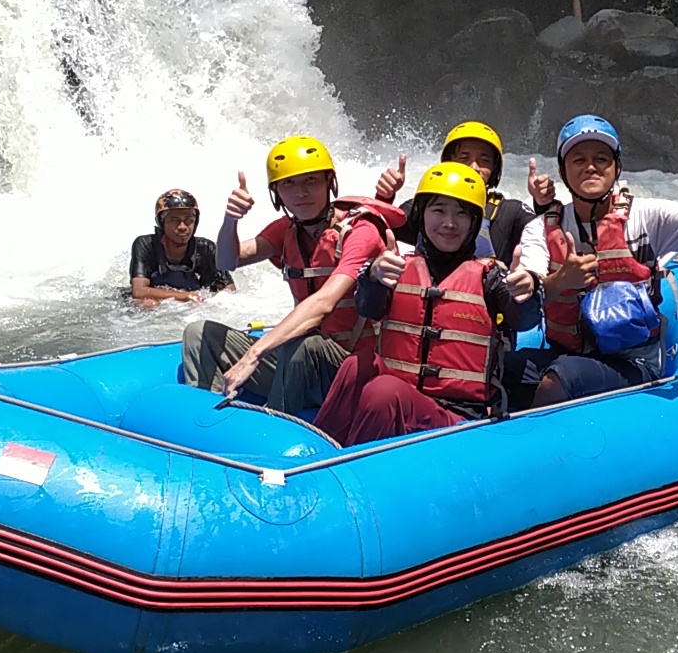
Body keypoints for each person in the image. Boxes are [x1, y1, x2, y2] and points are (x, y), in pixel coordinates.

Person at [513, 115, 678, 406]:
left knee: (561, 378)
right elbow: (531, 284)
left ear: (617, 167)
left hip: (633, 361)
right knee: (508, 368)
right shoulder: (541, 228)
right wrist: (560, 282)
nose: (590, 167)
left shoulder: (647, 216)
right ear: (563, 171)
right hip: (566, 352)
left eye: (601, 158)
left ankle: (541, 447)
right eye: (578, 160)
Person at [315, 163, 535, 445]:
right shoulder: (396, 267)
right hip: (401, 398)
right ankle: (320, 452)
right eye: (439, 210)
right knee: (358, 364)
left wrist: (526, 292)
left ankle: (350, 471)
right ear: (421, 214)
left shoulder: (492, 277)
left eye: (462, 214)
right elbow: (368, 308)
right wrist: (372, 276)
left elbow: (523, 319)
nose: (450, 223)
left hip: (457, 419)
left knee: (384, 391)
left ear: (474, 222)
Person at [182, 136, 403, 411]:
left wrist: (254, 353)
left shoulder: (360, 231)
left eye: (311, 180)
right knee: (198, 332)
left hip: (350, 368)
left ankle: (273, 428)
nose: (301, 193)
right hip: (299, 360)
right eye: (289, 183)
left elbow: (323, 303)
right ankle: (205, 417)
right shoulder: (286, 230)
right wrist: (231, 220)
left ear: (329, 183)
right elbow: (227, 261)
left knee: (306, 345)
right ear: (276, 193)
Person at [372, 121, 555, 263]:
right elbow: (376, 231)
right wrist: (385, 197)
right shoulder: (424, 205)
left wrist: (544, 204)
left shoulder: (511, 212)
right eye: (464, 158)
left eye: (484, 160)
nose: (473, 167)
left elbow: (553, 239)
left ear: (494, 169)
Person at [129, 189, 234, 305]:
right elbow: (138, 291)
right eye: (175, 220)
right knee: (148, 304)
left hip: (192, 309)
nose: (183, 227)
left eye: (188, 220)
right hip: (161, 305)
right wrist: (185, 296)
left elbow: (229, 290)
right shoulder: (145, 245)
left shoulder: (207, 249)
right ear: (162, 223)